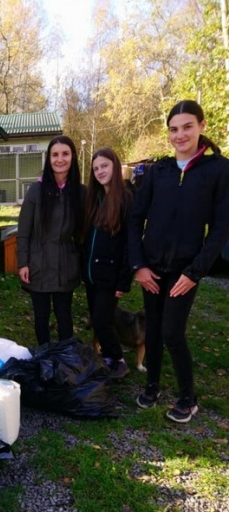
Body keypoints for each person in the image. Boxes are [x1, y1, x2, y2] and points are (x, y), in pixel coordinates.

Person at [128, 100, 229, 423]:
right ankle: (152, 386)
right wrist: (139, 266)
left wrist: (195, 272)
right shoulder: (159, 172)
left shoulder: (218, 170)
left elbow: (220, 229)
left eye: (187, 126)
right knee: (154, 330)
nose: (180, 134)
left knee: (172, 332)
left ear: (201, 125)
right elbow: (135, 220)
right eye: (174, 129)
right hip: (152, 268)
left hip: (185, 271)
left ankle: (188, 397)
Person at [16, 136, 84, 345]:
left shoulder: (80, 192)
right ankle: (44, 356)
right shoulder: (36, 190)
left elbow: (84, 233)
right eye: (55, 154)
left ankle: (65, 358)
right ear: (49, 159)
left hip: (66, 262)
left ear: (72, 157)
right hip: (39, 262)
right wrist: (23, 262)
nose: (60, 159)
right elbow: (24, 229)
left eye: (65, 154)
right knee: (42, 315)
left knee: (64, 315)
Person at [81, 147, 133, 378]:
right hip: (93, 274)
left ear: (115, 166)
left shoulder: (125, 200)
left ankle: (118, 361)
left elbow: (130, 243)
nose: (100, 171)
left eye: (104, 166)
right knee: (100, 318)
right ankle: (109, 358)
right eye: (96, 169)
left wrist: (124, 280)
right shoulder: (95, 199)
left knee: (102, 320)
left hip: (111, 276)